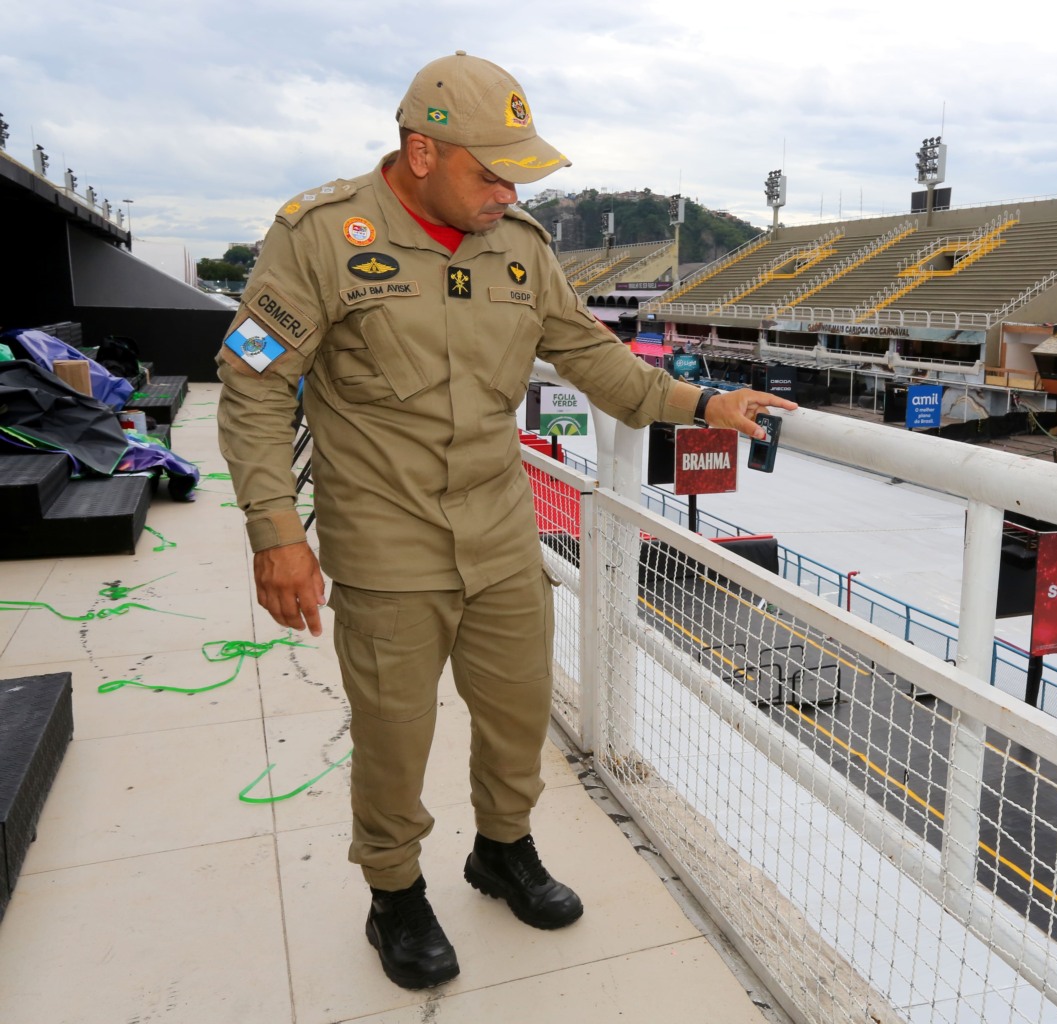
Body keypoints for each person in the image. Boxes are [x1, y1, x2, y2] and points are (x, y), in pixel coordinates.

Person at [216, 51, 795, 990]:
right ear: (420, 153)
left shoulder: (519, 245)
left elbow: (592, 358)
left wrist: (703, 403)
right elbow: (251, 389)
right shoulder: (319, 236)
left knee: (519, 711)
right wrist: (276, 533)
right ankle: (394, 892)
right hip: (385, 537)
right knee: (395, 735)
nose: (508, 192)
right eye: (491, 172)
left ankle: (502, 849)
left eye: (516, 175)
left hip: (497, 528)